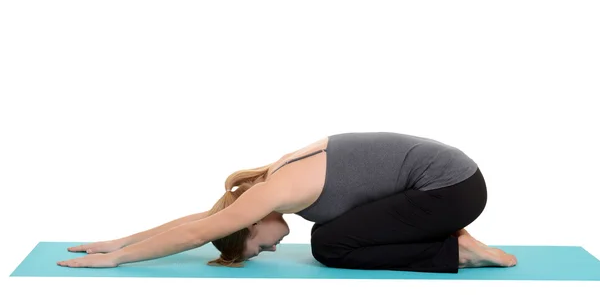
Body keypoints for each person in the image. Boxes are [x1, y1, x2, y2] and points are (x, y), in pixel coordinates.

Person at [58, 132, 517, 273]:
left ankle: (456, 249)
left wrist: (118, 261)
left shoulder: (276, 193)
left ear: (252, 223)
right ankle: (455, 235)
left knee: (330, 246)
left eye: (259, 248)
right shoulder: (272, 182)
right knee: (332, 233)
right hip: (451, 185)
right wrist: (116, 240)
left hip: (450, 190)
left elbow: (201, 232)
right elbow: (206, 218)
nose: (273, 249)